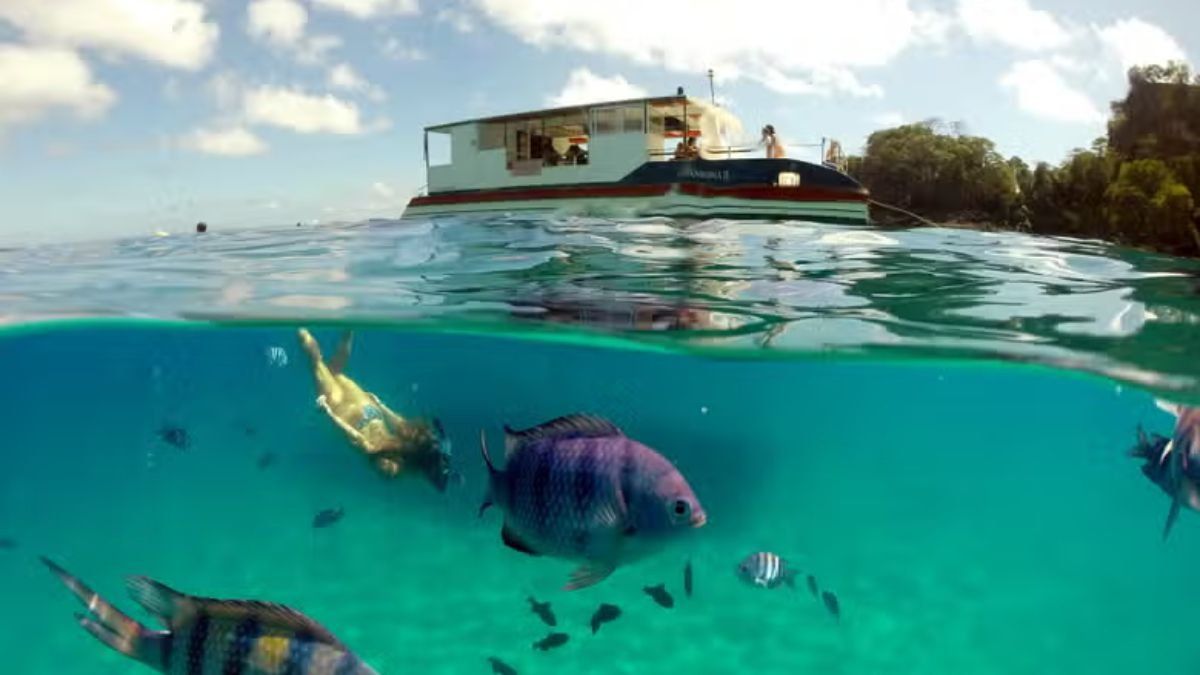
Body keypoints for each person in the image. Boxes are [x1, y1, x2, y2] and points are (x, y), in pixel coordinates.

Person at [297, 328, 453, 491]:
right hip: (356, 408)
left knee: (325, 367)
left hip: (352, 407)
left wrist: (329, 413)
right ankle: (317, 329)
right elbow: (395, 425)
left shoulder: (392, 457)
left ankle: (333, 328)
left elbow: (359, 437)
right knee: (326, 368)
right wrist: (380, 406)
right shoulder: (401, 450)